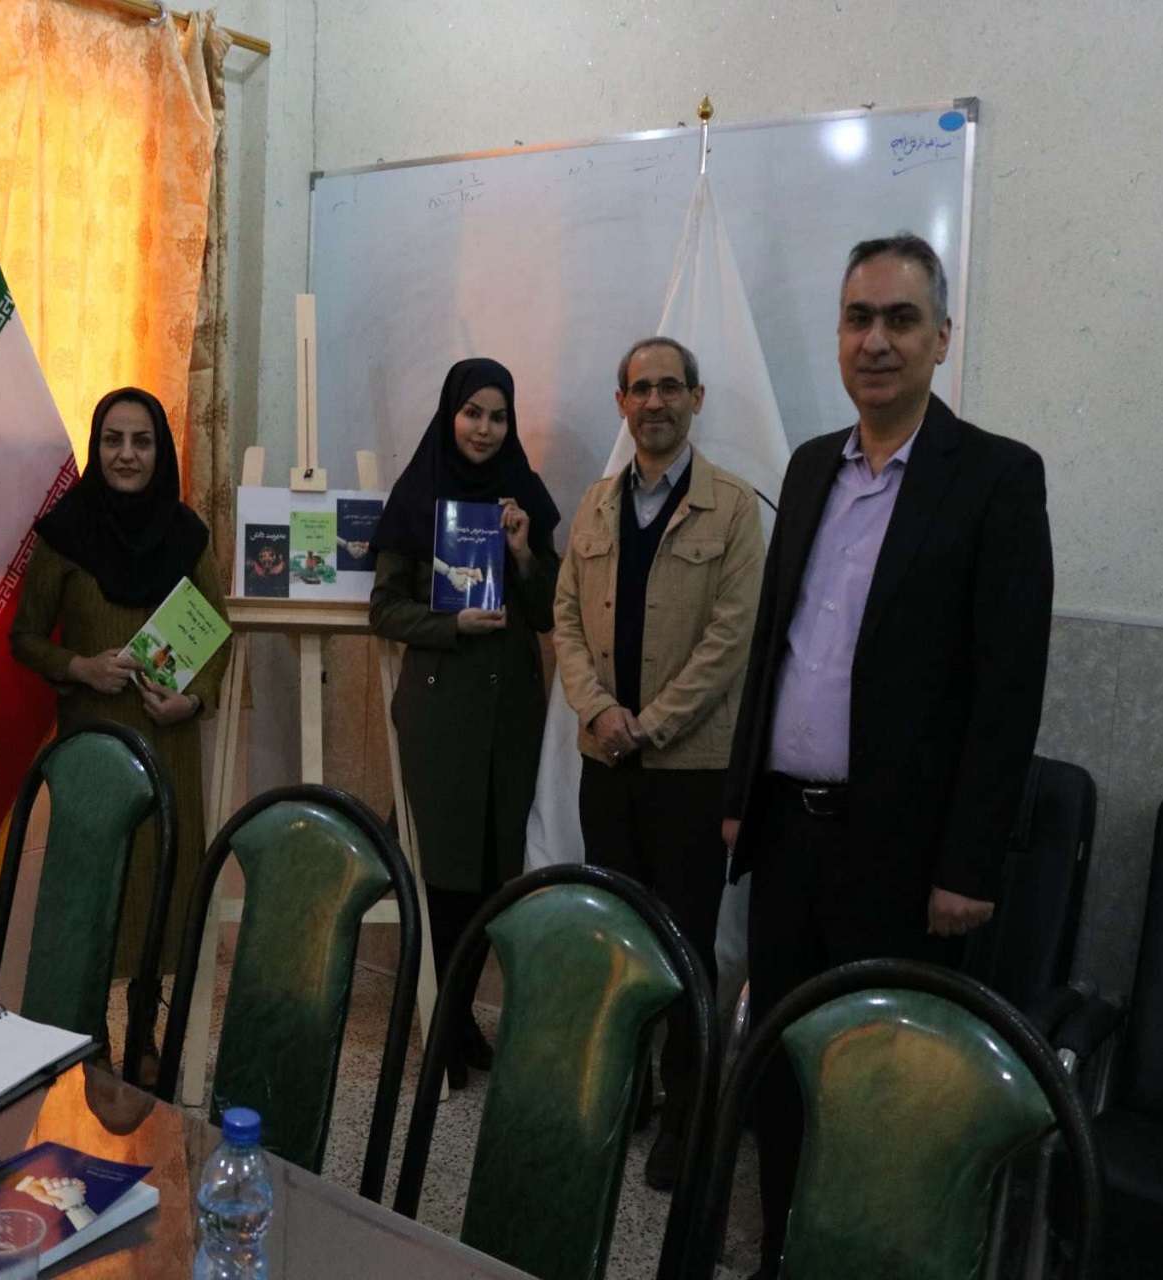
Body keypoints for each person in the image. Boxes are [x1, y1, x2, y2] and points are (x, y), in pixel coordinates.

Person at [721, 234, 1054, 1277]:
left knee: (882, 1082)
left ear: (941, 338)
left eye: (900, 319)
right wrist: (740, 795)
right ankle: (783, 1246)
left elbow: (1008, 689)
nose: (876, 340)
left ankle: (866, 1258)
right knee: (780, 1066)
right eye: (858, 318)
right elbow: (777, 640)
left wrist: (970, 863)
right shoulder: (812, 462)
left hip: (902, 857)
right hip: (785, 834)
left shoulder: (995, 477)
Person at [551, 335, 765, 1190]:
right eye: (639, 389)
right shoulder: (596, 505)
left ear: (696, 398)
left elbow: (731, 640)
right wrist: (599, 712)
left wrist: (651, 724)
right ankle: (620, 1095)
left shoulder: (735, 508)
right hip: (606, 765)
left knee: (683, 953)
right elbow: (565, 621)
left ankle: (685, 1114)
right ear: (620, 403)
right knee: (618, 942)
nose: (655, 402)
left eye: (670, 387)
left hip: (686, 772)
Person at [10, 386, 230, 1076]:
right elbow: (23, 639)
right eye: (113, 440)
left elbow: (216, 637)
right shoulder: (63, 536)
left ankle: (143, 1028)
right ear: (95, 447)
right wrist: (77, 664)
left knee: (159, 886)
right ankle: (87, 1037)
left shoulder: (188, 536)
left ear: (159, 451)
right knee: (96, 891)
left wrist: (191, 703)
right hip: (92, 744)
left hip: (167, 742)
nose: (127, 454)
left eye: (141, 441)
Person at [368, 357, 561, 1090]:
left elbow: (547, 614)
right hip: (440, 705)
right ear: (450, 414)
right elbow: (383, 611)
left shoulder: (527, 502)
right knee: (445, 870)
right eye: (472, 412)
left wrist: (519, 552)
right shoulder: (418, 496)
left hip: (511, 708)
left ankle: (458, 1016)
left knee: (493, 873)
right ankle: (443, 1021)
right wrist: (451, 622)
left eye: (497, 415)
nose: (484, 428)